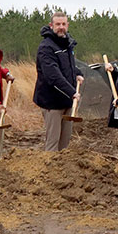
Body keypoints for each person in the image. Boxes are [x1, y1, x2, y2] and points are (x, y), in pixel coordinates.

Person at [33, 11, 83, 151]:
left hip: (67, 101)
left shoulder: (67, 43)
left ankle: (62, 171)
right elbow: (53, 76)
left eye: (63, 24)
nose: (61, 27)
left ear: (67, 25)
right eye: (57, 24)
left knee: (65, 142)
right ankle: (49, 171)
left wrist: (77, 73)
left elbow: (69, 65)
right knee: (53, 143)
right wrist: (72, 92)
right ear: (51, 25)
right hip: (52, 102)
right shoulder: (46, 47)